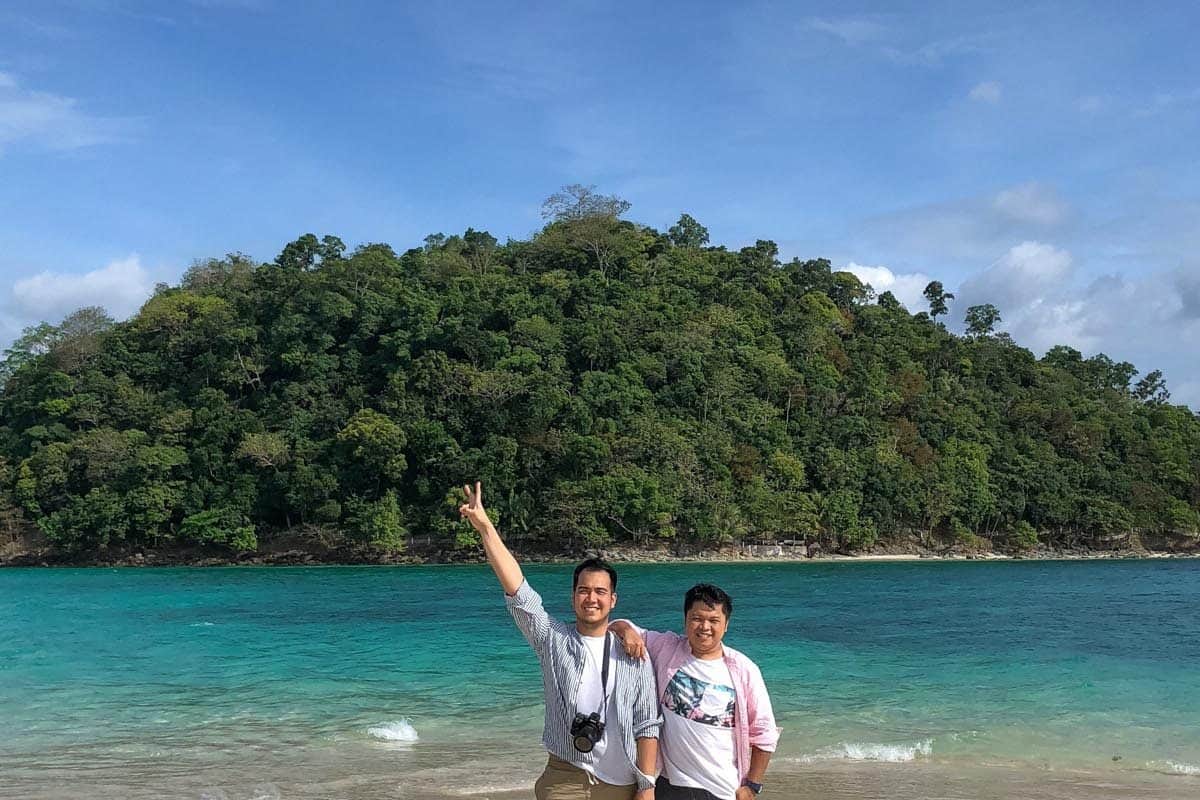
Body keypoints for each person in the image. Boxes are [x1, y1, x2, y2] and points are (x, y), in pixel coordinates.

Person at [458, 482, 662, 800]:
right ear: (573, 596)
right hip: (565, 777)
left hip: (622, 782)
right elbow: (519, 593)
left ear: (613, 600)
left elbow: (646, 723)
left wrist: (647, 787)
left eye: (600, 592)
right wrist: (486, 528)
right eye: (583, 590)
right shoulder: (553, 639)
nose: (591, 598)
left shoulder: (633, 653)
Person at [609, 584, 779, 800]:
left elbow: (764, 733)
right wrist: (626, 631)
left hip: (721, 790)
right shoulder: (667, 648)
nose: (704, 627)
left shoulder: (744, 670)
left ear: (726, 624)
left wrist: (752, 786)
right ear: (685, 620)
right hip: (668, 783)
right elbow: (616, 625)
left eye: (714, 620)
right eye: (697, 618)